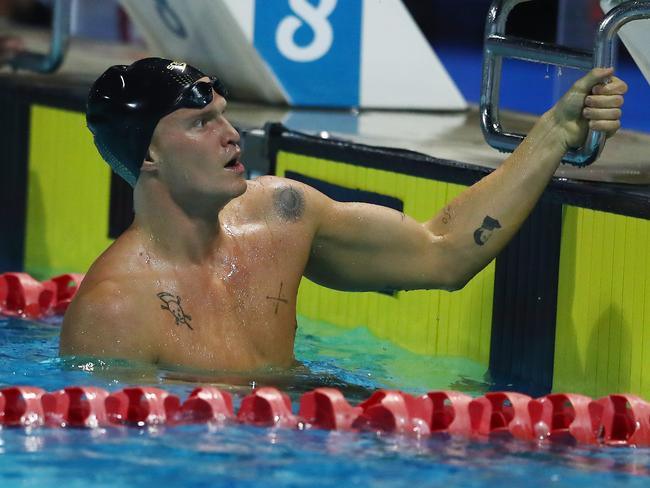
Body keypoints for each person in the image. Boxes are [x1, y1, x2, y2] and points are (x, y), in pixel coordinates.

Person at [59, 57, 627, 372]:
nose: (231, 135)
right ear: (149, 155)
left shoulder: (281, 215)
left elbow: (443, 253)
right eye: (200, 123)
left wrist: (555, 132)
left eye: (223, 116)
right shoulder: (113, 313)